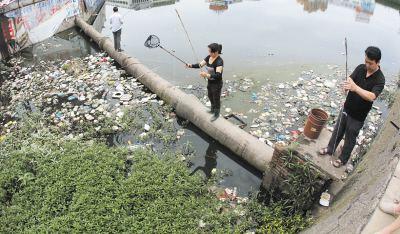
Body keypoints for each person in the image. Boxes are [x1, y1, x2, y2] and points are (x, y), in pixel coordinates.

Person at [319, 46, 385, 168]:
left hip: (358, 116)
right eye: (366, 61)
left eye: (370, 63)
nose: (367, 65)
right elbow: (350, 79)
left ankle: (342, 159)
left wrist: (355, 88)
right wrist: (346, 86)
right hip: (346, 107)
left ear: (378, 62)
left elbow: (371, 96)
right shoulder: (361, 68)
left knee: (350, 137)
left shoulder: (380, 79)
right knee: (338, 130)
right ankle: (330, 148)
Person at [186, 43, 224, 121]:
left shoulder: (219, 61)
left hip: (217, 83)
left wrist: (206, 75)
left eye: (210, 52)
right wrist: (190, 65)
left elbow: (218, 75)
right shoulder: (208, 57)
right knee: (210, 96)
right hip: (210, 82)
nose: (209, 53)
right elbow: (200, 65)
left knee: (216, 98)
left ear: (216, 52)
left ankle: (216, 114)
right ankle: (212, 109)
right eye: (209, 51)